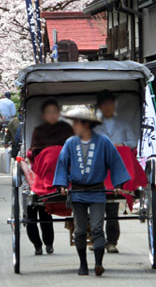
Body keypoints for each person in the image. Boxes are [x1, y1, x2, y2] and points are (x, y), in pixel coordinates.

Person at [53, 107, 130, 277]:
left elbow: (115, 161)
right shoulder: (70, 143)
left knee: (97, 228)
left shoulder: (103, 142)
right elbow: (62, 164)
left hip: (97, 191)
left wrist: (118, 183)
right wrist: (62, 184)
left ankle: (98, 263)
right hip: (78, 192)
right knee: (79, 230)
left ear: (86, 124)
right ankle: (82, 264)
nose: (74, 126)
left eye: (77, 123)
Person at [27, 100, 74, 256]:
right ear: (44, 115)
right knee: (35, 211)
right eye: (49, 112)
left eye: (55, 112)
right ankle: (37, 244)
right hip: (45, 163)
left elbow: (73, 147)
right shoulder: (39, 130)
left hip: (64, 163)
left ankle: (48, 243)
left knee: (60, 155)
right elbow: (34, 151)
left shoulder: (67, 128)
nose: (52, 115)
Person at [94, 90, 137, 253]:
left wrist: (122, 145)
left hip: (118, 168)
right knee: (96, 209)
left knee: (111, 209)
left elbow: (133, 142)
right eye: (104, 105)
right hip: (100, 170)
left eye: (110, 104)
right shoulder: (94, 126)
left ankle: (112, 241)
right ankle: (98, 239)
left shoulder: (124, 124)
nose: (108, 107)